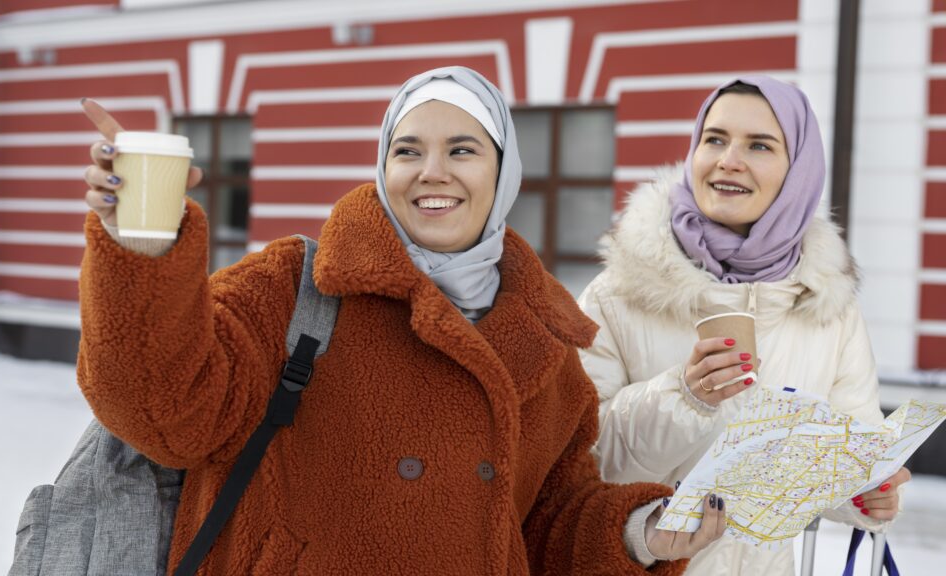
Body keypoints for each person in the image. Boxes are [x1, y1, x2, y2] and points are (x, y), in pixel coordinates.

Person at [77, 66, 723, 575]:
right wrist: (142, 245)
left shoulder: (547, 347)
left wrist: (639, 534)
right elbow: (163, 408)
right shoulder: (291, 288)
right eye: (408, 149)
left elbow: (547, 526)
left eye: (463, 149)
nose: (431, 172)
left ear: (504, 173)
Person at [577, 76, 911, 575]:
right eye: (715, 139)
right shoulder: (617, 293)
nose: (728, 159)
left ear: (796, 171)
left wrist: (865, 494)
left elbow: (847, 445)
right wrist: (683, 398)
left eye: (759, 145)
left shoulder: (827, 306)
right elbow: (582, 455)